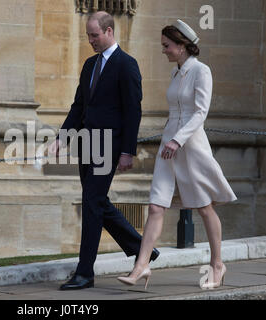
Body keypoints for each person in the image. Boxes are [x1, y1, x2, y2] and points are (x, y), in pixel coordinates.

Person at [117, 20, 237, 290]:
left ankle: (218, 264)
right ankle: (141, 266)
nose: (164, 51)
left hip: (190, 146)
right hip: (167, 146)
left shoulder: (201, 71)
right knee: (156, 205)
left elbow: (200, 112)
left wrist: (178, 140)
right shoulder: (176, 73)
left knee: (204, 208)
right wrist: (168, 140)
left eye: (167, 46)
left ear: (182, 46)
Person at [49, 11, 159, 291]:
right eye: (88, 35)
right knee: (96, 201)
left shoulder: (127, 65)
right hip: (87, 145)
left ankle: (85, 272)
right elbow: (78, 107)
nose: (90, 41)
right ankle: (140, 247)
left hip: (109, 147)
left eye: (94, 35)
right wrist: (62, 138)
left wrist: (127, 152)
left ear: (109, 32)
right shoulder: (88, 65)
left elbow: (133, 111)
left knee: (91, 203)